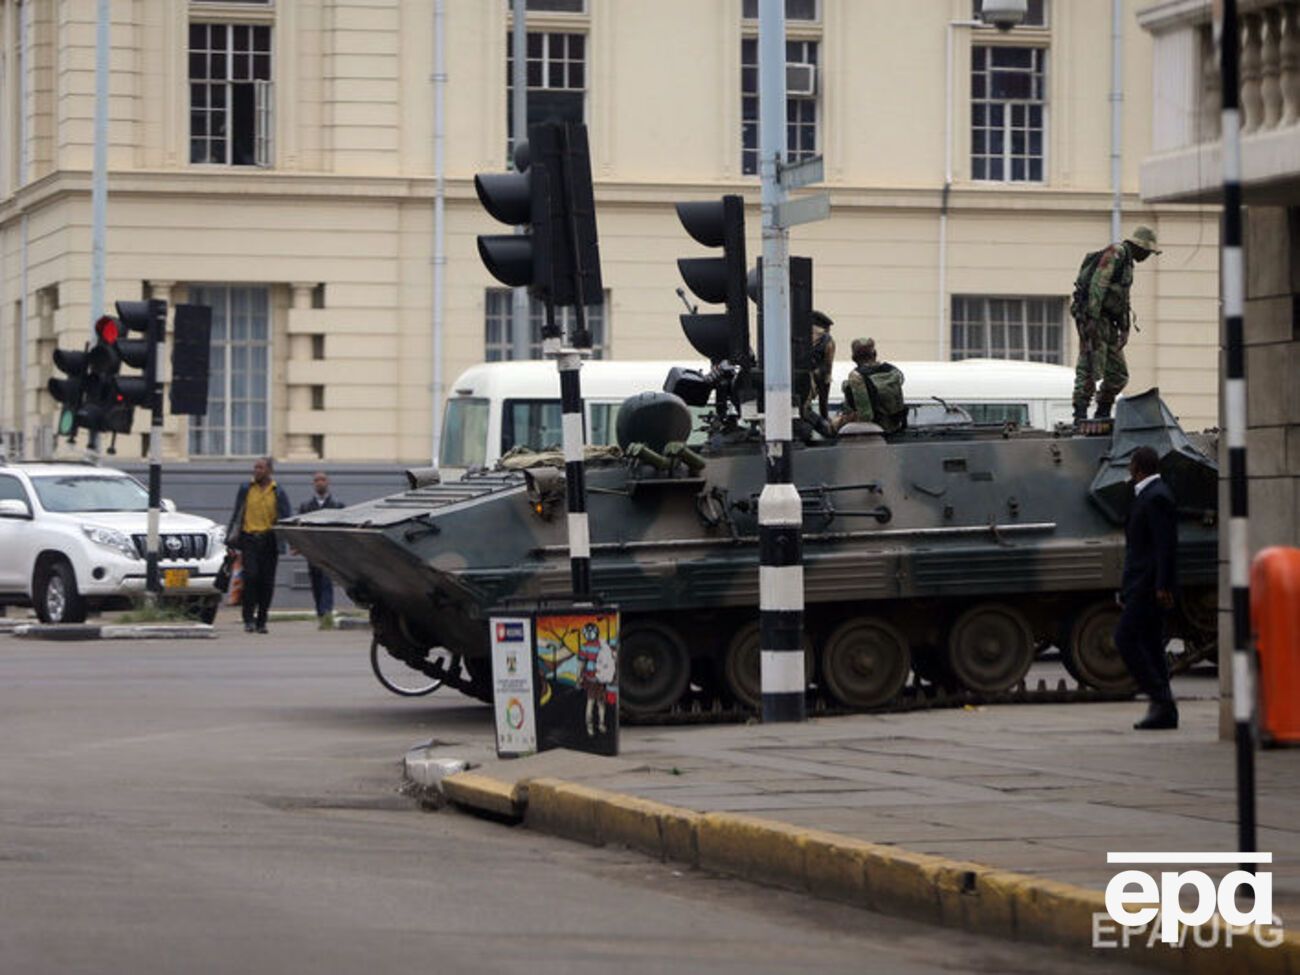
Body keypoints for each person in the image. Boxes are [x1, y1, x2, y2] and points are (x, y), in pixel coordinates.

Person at [1114, 445, 1179, 730]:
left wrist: (1163, 584)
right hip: (1142, 583)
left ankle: (1160, 697)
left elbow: (1165, 546)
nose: (1128, 468)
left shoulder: (1156, 498)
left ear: (1138, 466)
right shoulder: (1148, 495)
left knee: (1124, 639)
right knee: (1152, 644)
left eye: (1130, 463)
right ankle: (1165, 711)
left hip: (1148, 585)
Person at [1071, 225, 1161, 423]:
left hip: (1108, 321)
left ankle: (1103, 410)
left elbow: (1123, 298)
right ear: (1140, 246)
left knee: (1118, 374)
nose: (1147, 256)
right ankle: (1080, 412)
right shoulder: (1116, 253)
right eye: (1147, 251)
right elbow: (1098, 284)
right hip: (1094, 318)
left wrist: (1125, 328)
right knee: (1090, 364)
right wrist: (1092, 319)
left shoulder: (1128, 262)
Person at [227, 457, 291, 634]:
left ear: (269, 471)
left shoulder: (278, 491)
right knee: (251, 577)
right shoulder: (246, 489)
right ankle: (248, 618)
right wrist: (230, 536)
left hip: (269, 540)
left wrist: (291, 541)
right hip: (249, 539)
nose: (256, 470)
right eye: (255, 467)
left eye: (260, 468)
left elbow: (286, 518)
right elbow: (237, 512)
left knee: (267, 582)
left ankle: (262, 621)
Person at [832, 337, 907, 434]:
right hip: (895, 428)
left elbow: (864, 415)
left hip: (870, 433)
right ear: (875, 354)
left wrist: (837, 423)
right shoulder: (893, 372)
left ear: (853, 358)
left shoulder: (856, 378)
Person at [297, 471, 344, 625]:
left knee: (326, 581)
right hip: (312, 551)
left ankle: (326, 614)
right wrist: (298, 546)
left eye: (322, 479)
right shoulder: (306, 506)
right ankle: (320, 612)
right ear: (313, 484)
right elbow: (299, 528)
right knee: (316, 583)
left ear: (328, 482)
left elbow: (342, 528)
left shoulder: (337, 505)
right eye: (317, 480)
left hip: (330, 552)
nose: (320, 482)